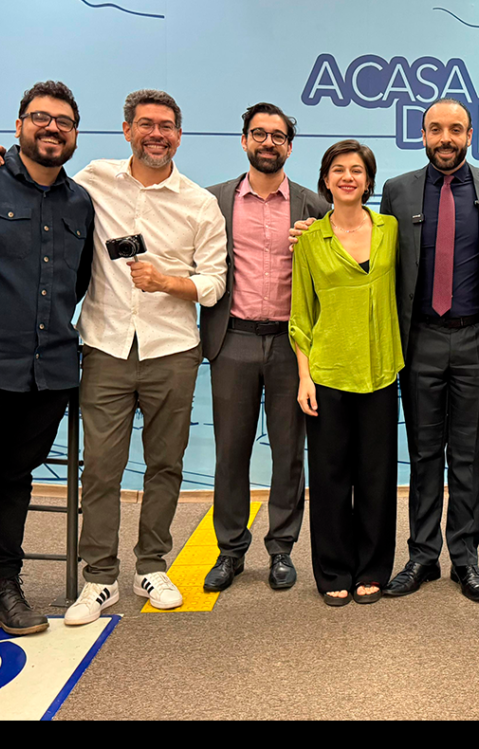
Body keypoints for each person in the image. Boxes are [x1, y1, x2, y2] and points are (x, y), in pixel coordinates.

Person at [0, 89, 228, 624]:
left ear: (179, 136)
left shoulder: (199, 203)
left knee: (165, 465)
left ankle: (151, 566)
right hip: (105, 346)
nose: (156, 134)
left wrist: (167, 282)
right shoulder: (92, 180)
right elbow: (37, 175)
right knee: (102, 470)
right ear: (127, 130)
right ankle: (101, 578)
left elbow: (213, 284)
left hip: (173, 349)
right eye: (146, 124)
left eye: (166, 126)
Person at [0, 81, 95, 666]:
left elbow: (77, 281)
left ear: (75, 134)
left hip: (46, 374)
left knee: (15, 482)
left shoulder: (79, 202)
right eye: (40, 118)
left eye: (64, 122)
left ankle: (0, 590)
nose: (52, 129)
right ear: (19, 125)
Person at [379, 98, 479, 602]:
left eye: (455, 130)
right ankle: (422, 556)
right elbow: (377, 257)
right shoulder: (397, 191)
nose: (445, 138)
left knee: (466, 455)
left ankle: (465, 558)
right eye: (436, 129)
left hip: (476, 338)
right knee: (423, 454)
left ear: (470, 135)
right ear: (422, 135)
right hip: (419, 339)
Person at [200, 103, 330, 593]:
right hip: (232, 339)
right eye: (259, 134)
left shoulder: (313, 206)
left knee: (289, 453)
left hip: (290, 346)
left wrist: (317, 245)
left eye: (278, 136)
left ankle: (281, 549)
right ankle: (230, 550)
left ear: (289, 148)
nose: (268, 142)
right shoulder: (213, 201)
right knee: (230, 451)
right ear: (244, 141)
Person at [289, 140, 402, 606]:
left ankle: (373, 568)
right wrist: (304, 376)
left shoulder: (391, 229)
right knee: (330, 478)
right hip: (328, 374)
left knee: (377, 478)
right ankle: (334, 569)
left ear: (369, 181)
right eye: (338, 169)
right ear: (326, 179)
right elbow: (300, 314)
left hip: (380, 372)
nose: (348, 177)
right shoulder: (309, 240)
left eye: (357, 170)